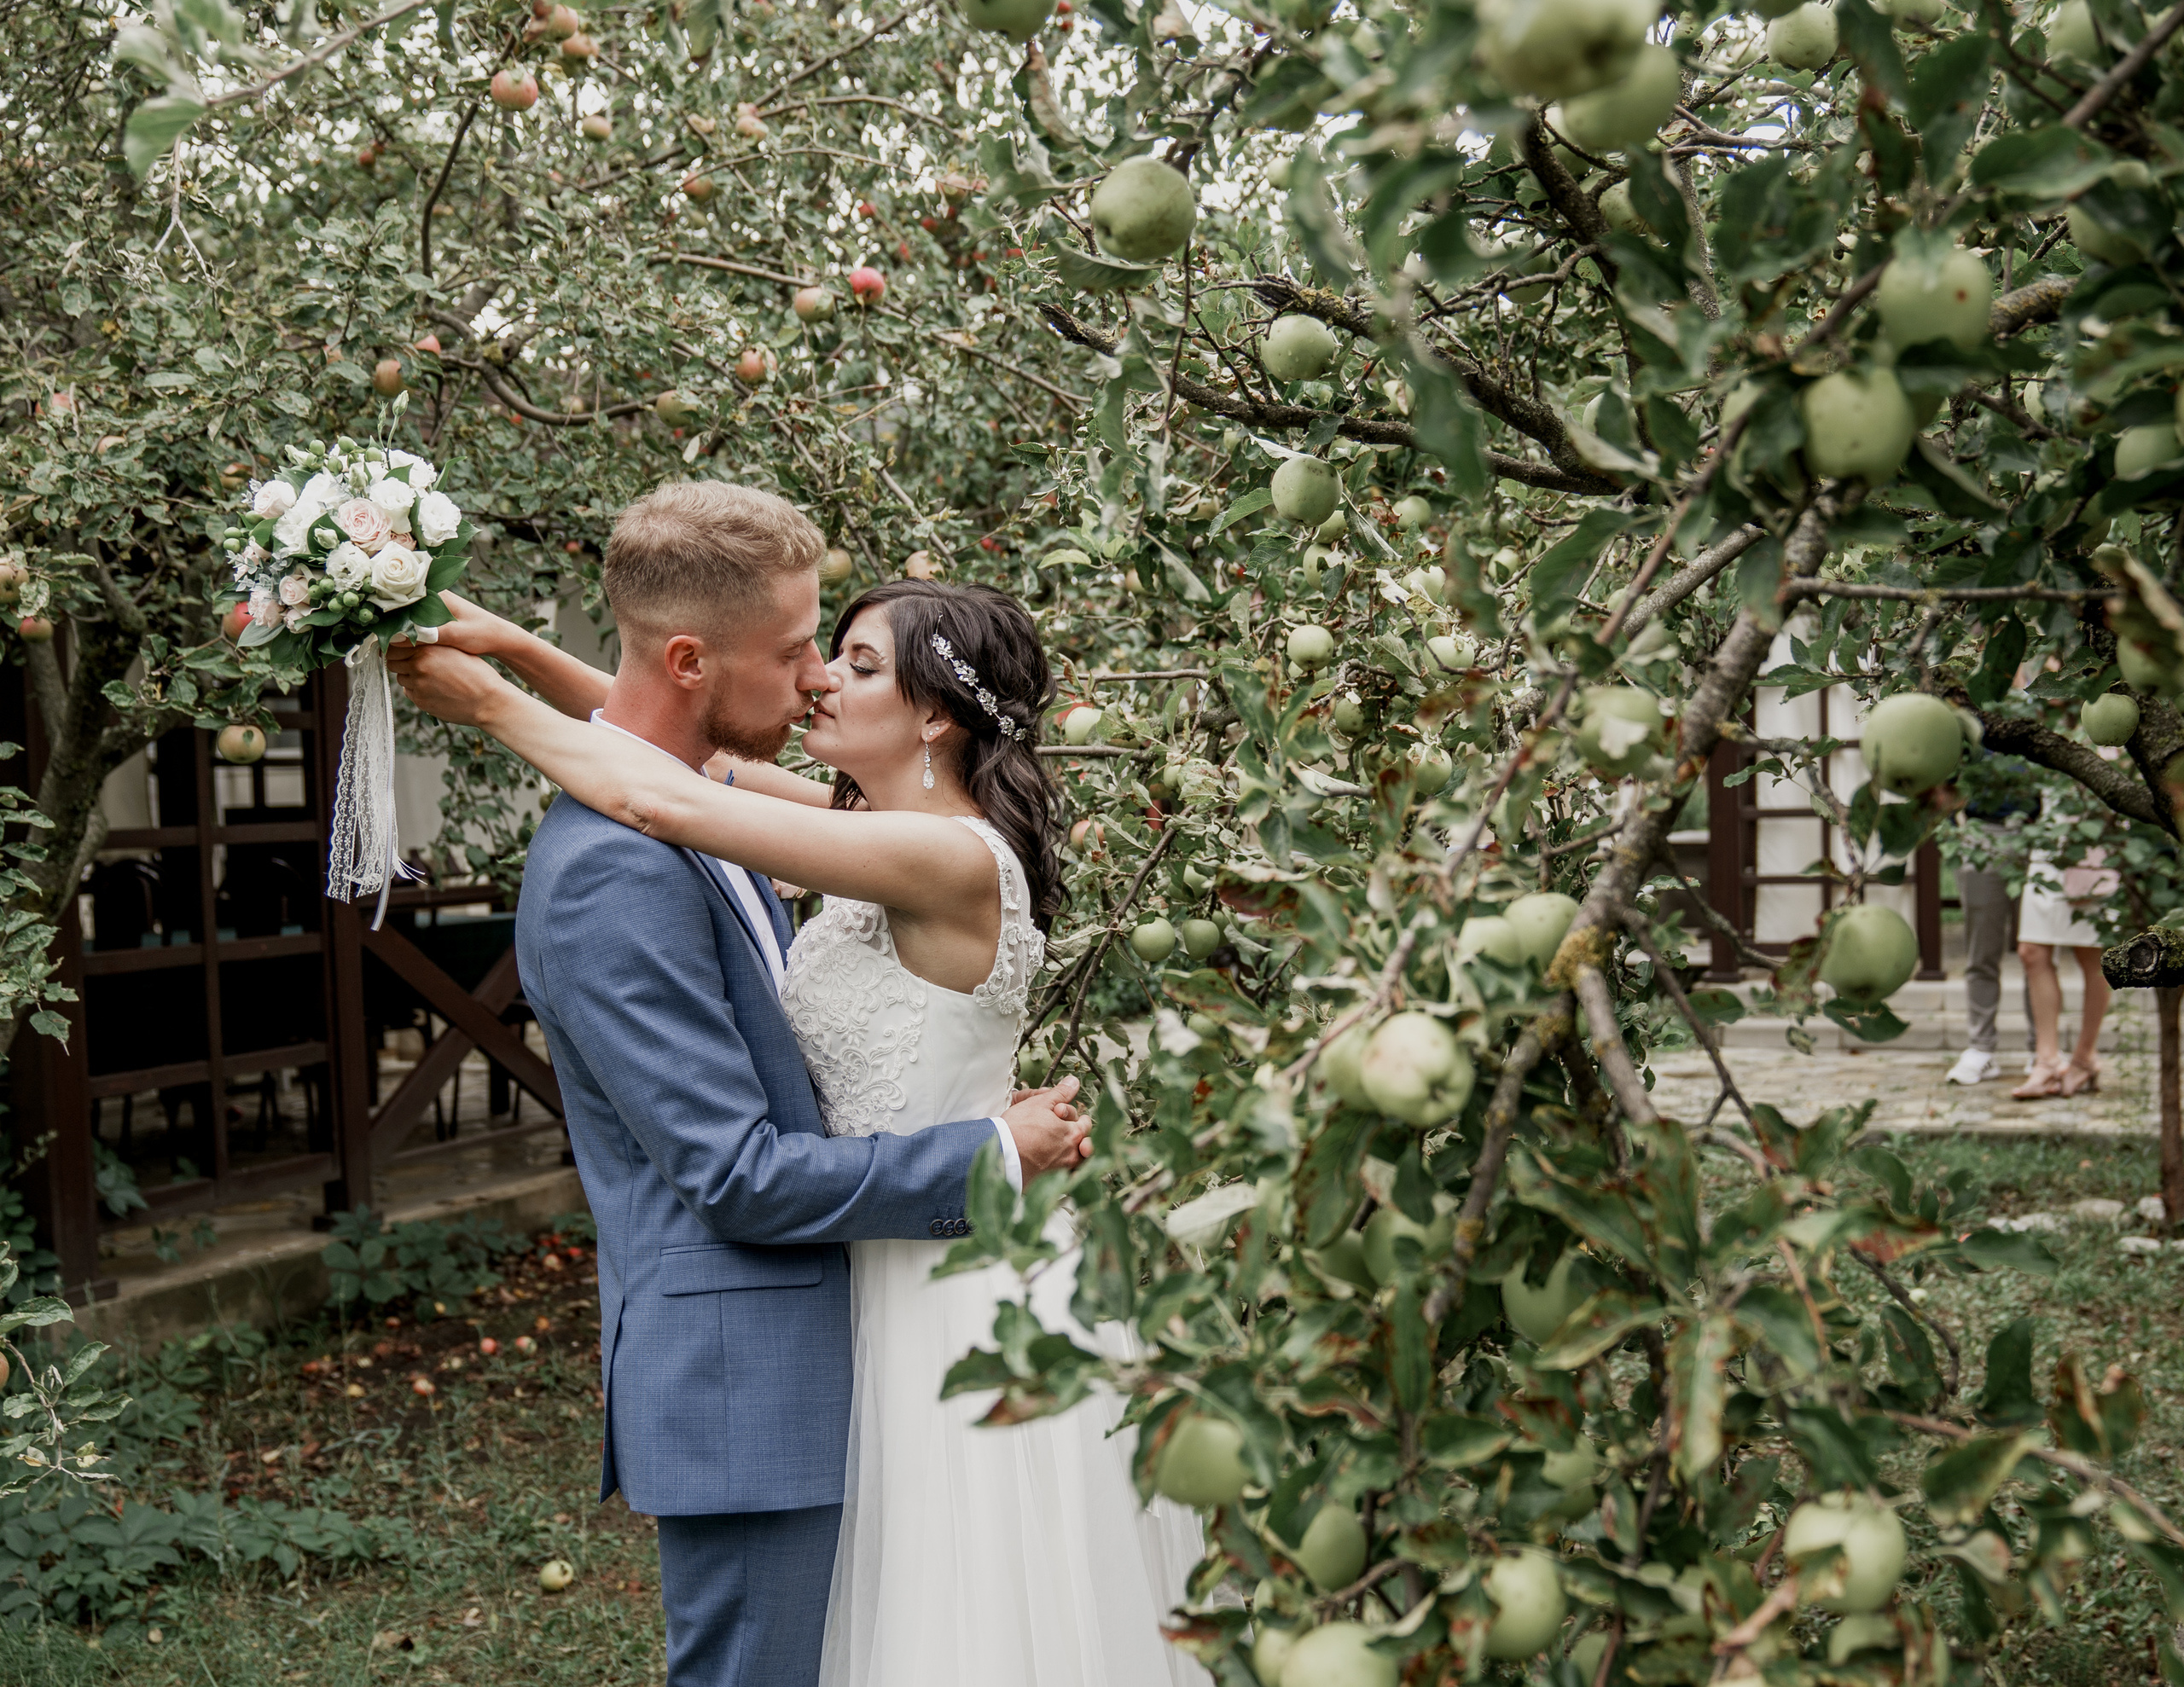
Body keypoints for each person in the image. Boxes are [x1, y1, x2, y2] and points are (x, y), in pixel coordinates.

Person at [386, 481, 1201, 1687]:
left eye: (851, 659)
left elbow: (662, 791)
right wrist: (518, 646)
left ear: (932, 718)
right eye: (807, 649)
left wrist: (487, 702)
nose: (817, 675)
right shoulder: (859, 820)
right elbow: (664, 742)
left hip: (940, 1280)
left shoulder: (934, 853)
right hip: (866, 1276)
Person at [2011, 846, 2114, 1099]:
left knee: (2091, 954)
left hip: (2095, 841)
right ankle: (2047, 1060)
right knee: (2031, 951)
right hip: (2049, 843)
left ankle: (2085, 1058)